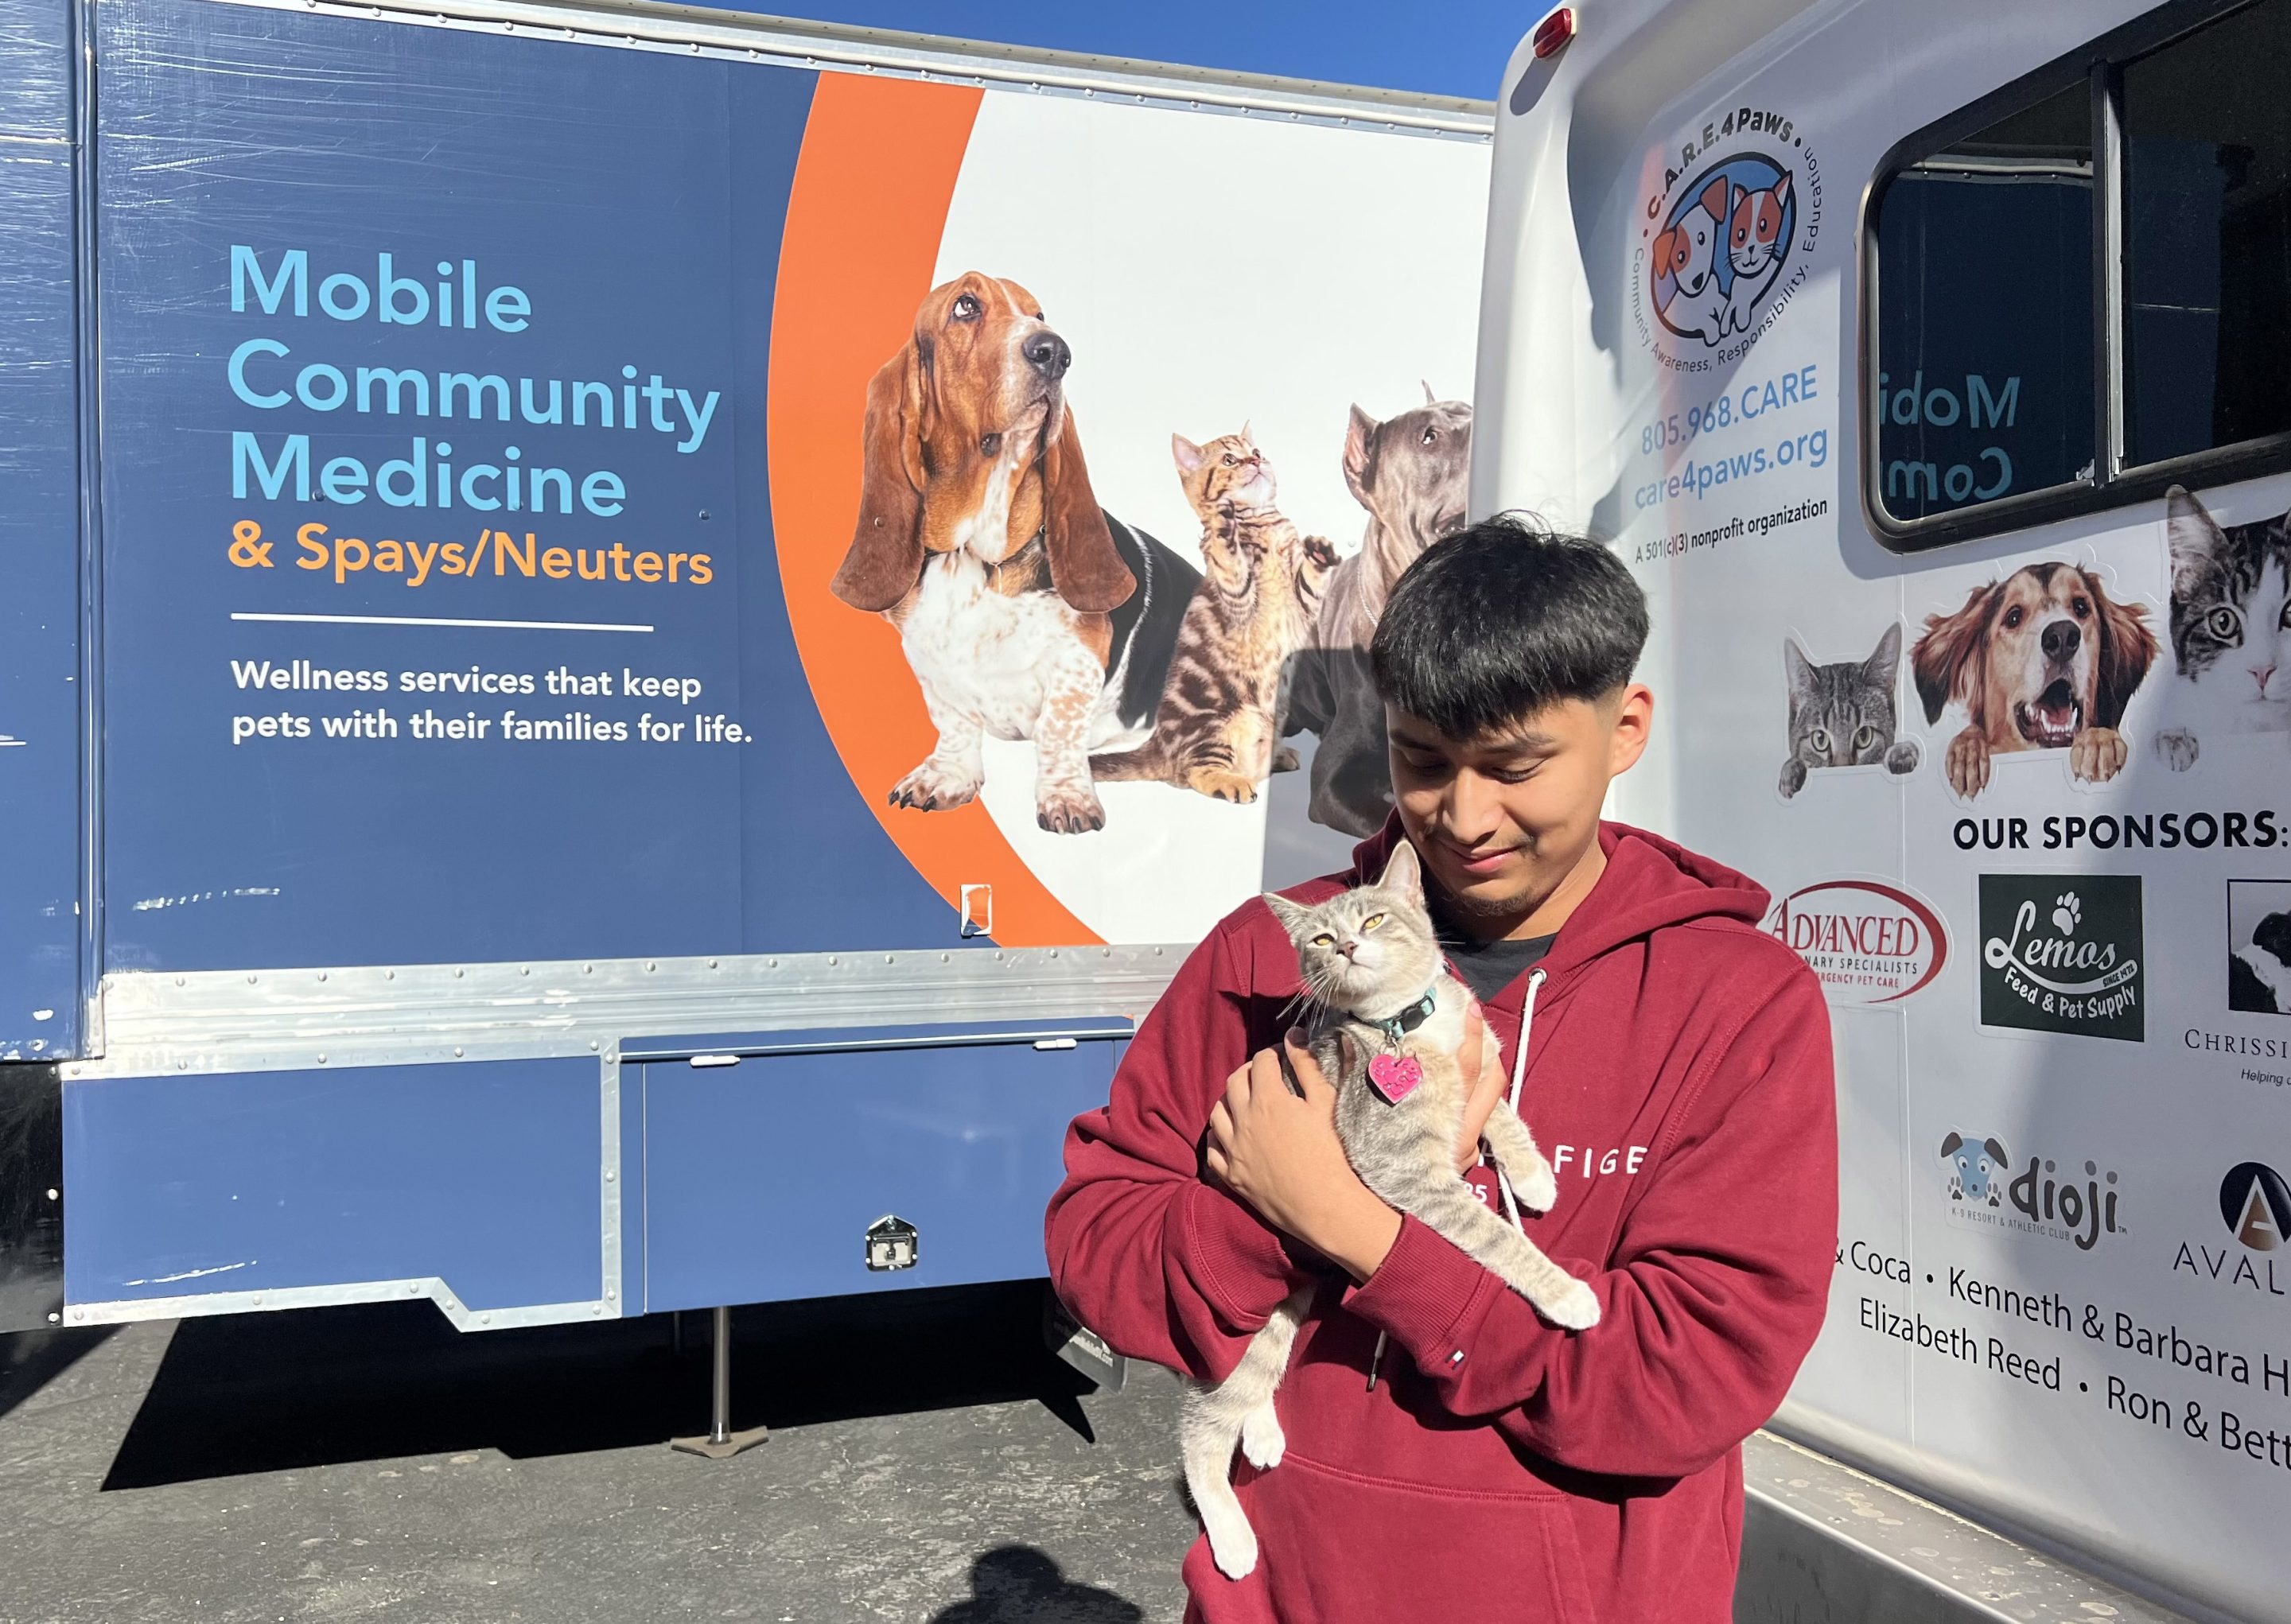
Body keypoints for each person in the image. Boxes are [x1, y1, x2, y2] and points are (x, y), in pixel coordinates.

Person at [1044, 517, 1838, 1622]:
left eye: (1517, 766)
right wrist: (1263, 1221)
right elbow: (1096, 1241)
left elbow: (1688, 1377)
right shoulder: (1268, 955)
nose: (1464, 817)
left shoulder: (1736, 1000)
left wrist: (1366, 1230)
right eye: (1423, 759)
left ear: (1626, 729)